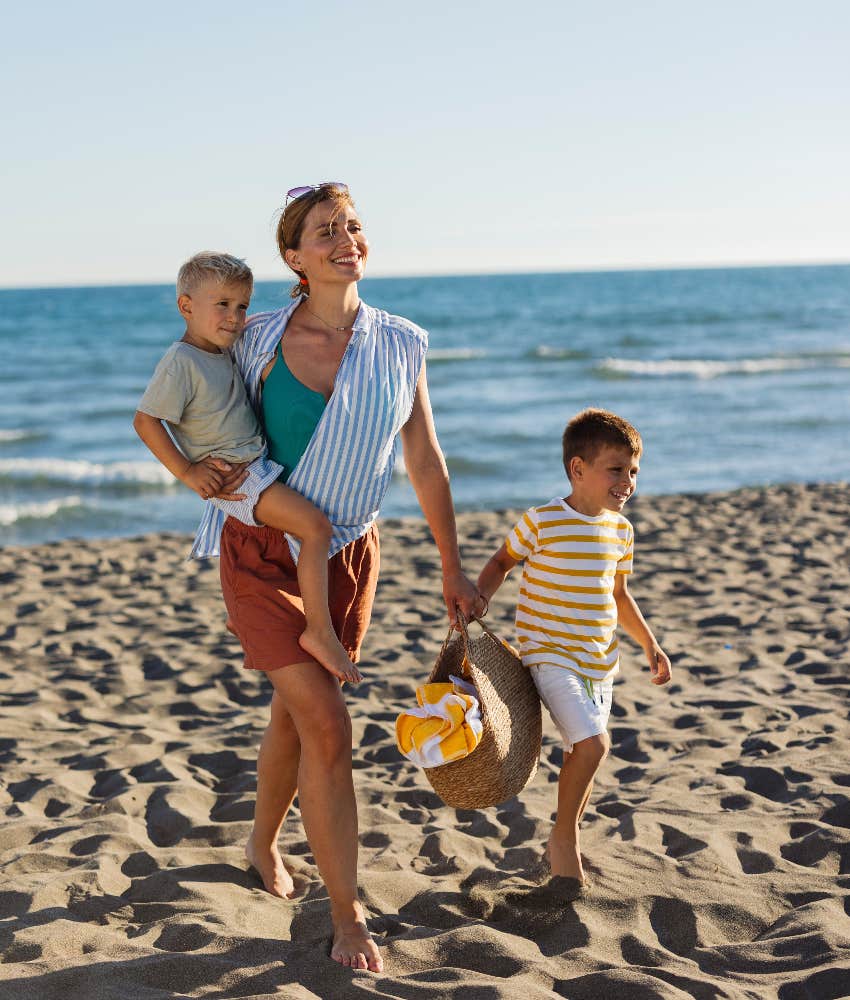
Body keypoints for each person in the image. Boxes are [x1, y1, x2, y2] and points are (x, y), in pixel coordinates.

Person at [189, 184, 483, 972]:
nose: (345, 239)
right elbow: (186, 395)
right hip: (259, 548)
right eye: (325, 232)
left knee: (296, 717)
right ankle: (348, 915)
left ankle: (259, 842)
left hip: (348, 556)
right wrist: (196, 471)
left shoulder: (401, 343)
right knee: (325, 722)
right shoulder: (251, 338)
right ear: (294, 256)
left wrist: (453, 564)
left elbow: (423, 459)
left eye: (352, 226)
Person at [133, 252, 360, 684]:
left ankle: (242, 617)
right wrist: (188, 472)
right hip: (239, 476)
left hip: (255, 466)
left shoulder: (222, 351)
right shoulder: (182, 360)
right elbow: (146, 421)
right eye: (222, 305)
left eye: (242, 306)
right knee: (315, 529)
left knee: (293, 538)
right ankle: (319, 632)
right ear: (186, 307)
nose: (235, 318)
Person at [476, 408, 672, 888]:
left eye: (633, 472)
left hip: (598, 662)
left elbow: (618, 595)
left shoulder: (621, 532)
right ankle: (564, 839)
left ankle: (564, 836)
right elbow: (502, 561)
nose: (628, 481)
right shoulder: (543, 521)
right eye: (616, 470)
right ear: (578, 469)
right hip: (549, 653)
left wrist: (650, 644)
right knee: (594, 744)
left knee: (579, 754)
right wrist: (478, 600)